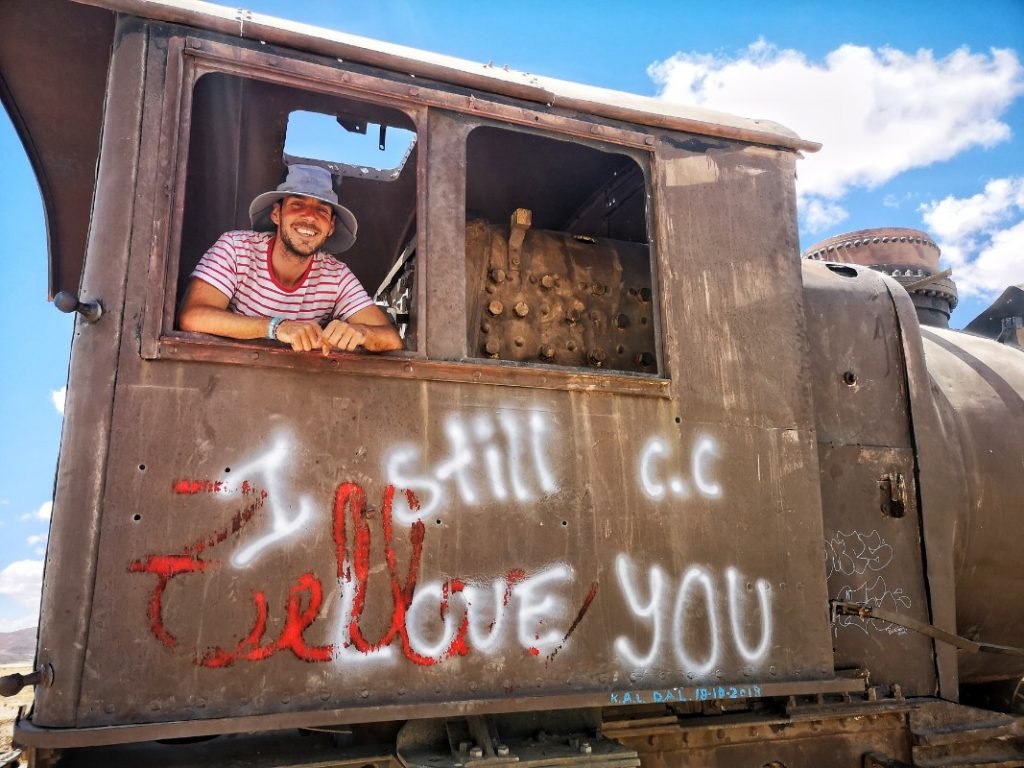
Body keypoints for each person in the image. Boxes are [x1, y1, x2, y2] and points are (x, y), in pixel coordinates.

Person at [178, 164, 403, 354]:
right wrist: (277, 328)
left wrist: (361, 333)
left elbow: (392, 339)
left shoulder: (336, 276)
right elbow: (193, 317)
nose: (309, 217)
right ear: (277, 214)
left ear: (331, 227)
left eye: (322, 210)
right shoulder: (236, 248)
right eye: (297, 204)